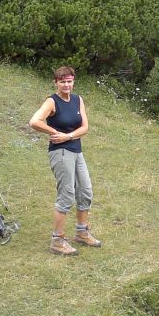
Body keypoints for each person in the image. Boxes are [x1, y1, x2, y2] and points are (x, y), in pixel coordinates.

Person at [29, 66, 101, 256]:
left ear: (73, 81)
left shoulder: (78, 100)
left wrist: (68, 136)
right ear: (56, 83)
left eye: (69, 81)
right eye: (62, 81)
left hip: (76, 150)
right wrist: (54, 133)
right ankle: (58, 241)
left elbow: (85, 127)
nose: (66, 85)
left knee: (85, 191)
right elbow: (35, 121)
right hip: (60, 153)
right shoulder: (52, 102)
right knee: (67, 195)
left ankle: (82, 232)